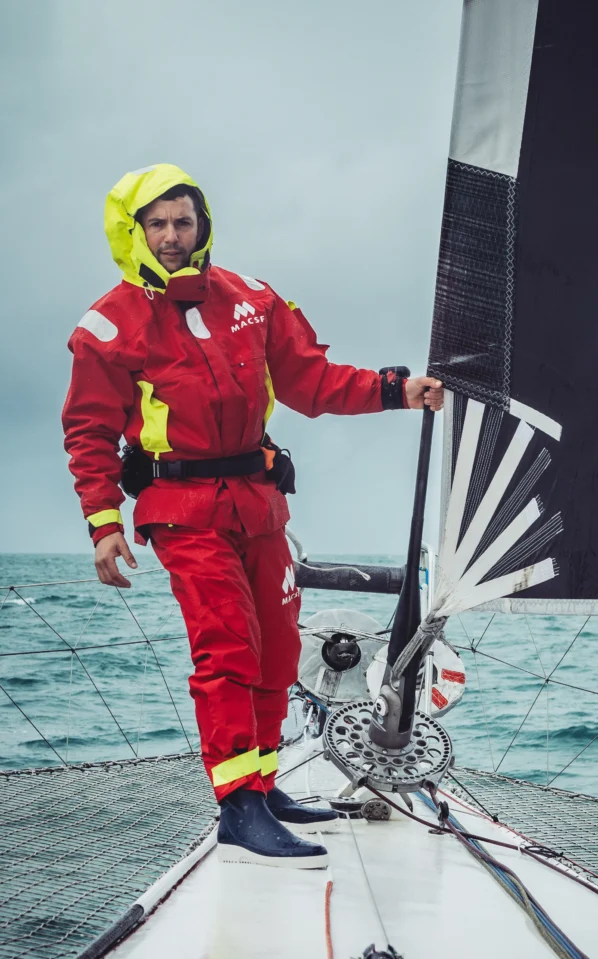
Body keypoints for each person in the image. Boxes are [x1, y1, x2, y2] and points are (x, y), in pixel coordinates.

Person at [62, 164, 443, 869]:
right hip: (182, 512)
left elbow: (312, 382)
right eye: (157, 224)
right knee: (228, 646)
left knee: (275, 647)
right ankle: (237, 808)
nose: (172, 236)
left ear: (201, 224)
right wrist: (103, 522)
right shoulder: (108, 326)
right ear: (133, 232)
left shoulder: (253, 299)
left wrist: (397, 390)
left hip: (259, 504)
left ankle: (263, 787)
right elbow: (89, 431)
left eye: (183, 221)